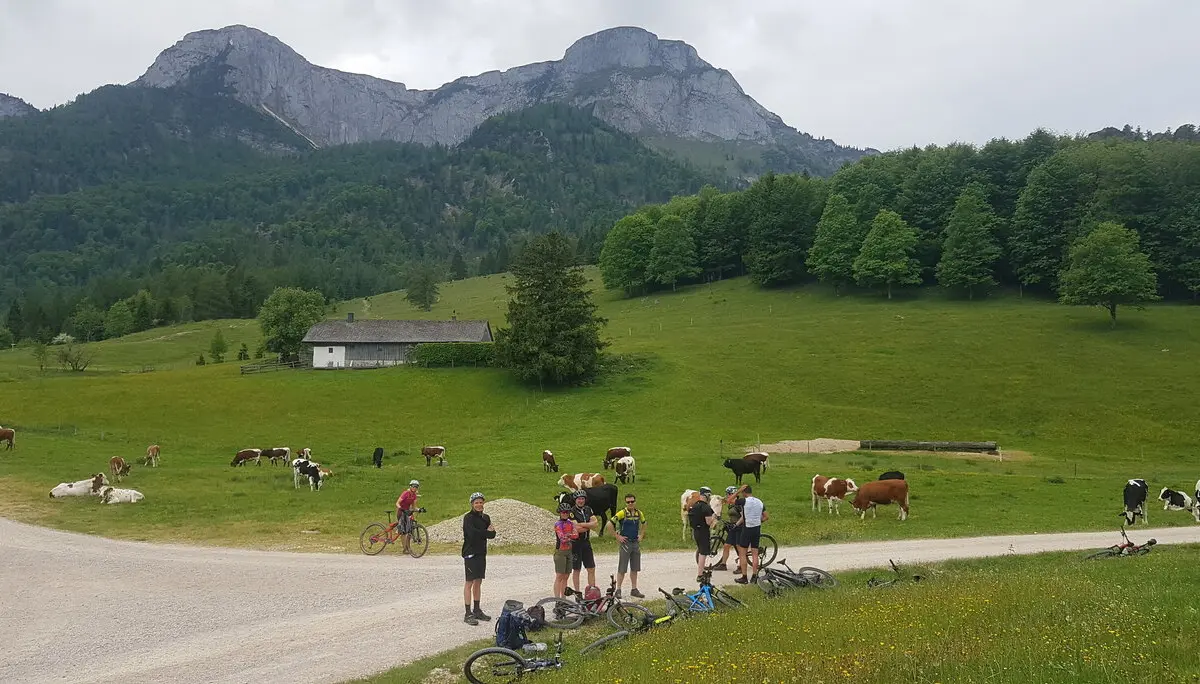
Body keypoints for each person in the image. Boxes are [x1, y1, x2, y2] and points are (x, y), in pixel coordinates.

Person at [462, 491, 496, 625]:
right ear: (472, 504)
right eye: (476, 503)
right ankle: (467, 613)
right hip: (470, 553)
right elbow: (472, 534)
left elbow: (492, 534)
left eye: (481, 502)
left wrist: (488, 533)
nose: (479, 505)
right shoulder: (468, 518)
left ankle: (477, 610)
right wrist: (486, 533)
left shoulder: (486, 517)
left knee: (478, 582)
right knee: (469, 582)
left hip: (482, 553)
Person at [609, 493, 646, 598]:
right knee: (622, 568)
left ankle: (634, 589)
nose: (630, 503)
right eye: (628, 502)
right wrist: (617, 536)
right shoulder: (622, 513)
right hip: (625, 543)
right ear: (625, 503)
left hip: (635, 542)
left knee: (635, 568)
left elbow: (644, 523)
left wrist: (642, 535)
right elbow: (609, 524)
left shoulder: (639, 513)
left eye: (632, 501)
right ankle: (618, 589)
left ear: (635, 502)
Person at [734, 485, 769, 584]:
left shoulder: (744, 501)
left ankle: (744, 577)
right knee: (754, 553)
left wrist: (737, 492)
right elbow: (766, 517)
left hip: (747, 528)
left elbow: (729, 500)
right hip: (756, 528)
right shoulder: (759, 502)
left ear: (744, 492)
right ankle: (754, 576)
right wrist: (758, 521)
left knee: (742, 553)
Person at [569, 490, 599, 593]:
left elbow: (596, 523)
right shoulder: (571, 511)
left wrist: (583, 525)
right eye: (579, 499)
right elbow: (576, 528)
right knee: (577, 569)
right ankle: (577, 592)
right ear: (575, 500)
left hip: (586, 542)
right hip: (576, 543)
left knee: (591, 568)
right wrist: (589, 525)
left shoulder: (588, 509)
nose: (581, 501)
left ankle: (592, 590)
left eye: (582, 499)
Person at [687, 486, 717, 582]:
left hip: (696, 531)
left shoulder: (695, 505)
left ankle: (701, 571)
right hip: (703, 531)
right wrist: (713, 518)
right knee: (703, 553)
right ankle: (700, 574)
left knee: (700, 551)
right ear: (707, 495)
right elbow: (708, 522)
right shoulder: (706, 507)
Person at [712, 486, 743, 573]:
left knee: (739, 547)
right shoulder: (731, 504)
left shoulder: (738, 505)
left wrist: (737, 524)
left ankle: (740, 566)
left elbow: (743, 517)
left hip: (739, 527)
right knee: (726, 546)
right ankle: (723, 564)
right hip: (733, 527)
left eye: (728, 494)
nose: (727, 495)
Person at [552, 502, 578, 598]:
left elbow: (576, 535)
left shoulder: (571, 523)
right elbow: (562, 538)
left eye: (567, 512)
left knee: (566, 576)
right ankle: (557, 599)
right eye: (563, 512)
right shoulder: (558, 524)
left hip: (569, 552)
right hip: (560, 552)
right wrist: (570, 536)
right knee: (559, 576)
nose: (565, 514)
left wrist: (568, 536)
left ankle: (564, 598)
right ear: (560, 513)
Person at [396, 479, 420, 553]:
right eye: (413, 486)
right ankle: (405, 549)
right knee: (403, 532)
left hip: (408, 512)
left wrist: (419, 510)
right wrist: (400, 508)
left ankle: (408, 548)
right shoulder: (405, 493)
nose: (414, 488)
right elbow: (397, 503)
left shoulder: (414, 496)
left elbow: (414, 507)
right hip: (401, 512)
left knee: (409, 531)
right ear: (410, 486)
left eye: (416, 487)